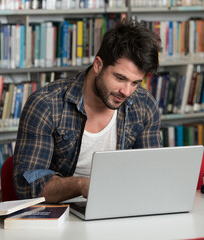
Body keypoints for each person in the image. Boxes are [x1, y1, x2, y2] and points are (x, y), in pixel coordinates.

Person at [13, 20, 162, 203]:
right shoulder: (46, 105)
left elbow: (152, 174)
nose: (126, 91)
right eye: (120, 78)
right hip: (59, 214)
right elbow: (28, 188)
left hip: (120, 208)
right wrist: (82, 185)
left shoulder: (144, 105)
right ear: (98, 65)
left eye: (135, 83)